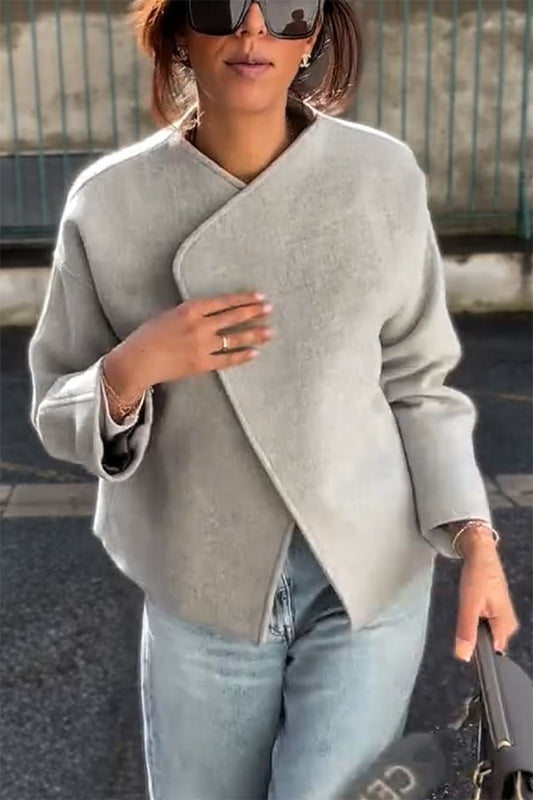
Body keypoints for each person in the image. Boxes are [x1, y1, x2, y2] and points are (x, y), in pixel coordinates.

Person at [28, 1, 520, 797]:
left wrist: (474, 539)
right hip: (203, 580)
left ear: (314, 35)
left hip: (365, 572)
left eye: (289, 9)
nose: (253, 30)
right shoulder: (109, 203)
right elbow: (56, 406)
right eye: (223, 6)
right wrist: (132, 367)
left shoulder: (378, 177)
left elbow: (416, 378)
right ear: (177, 31)